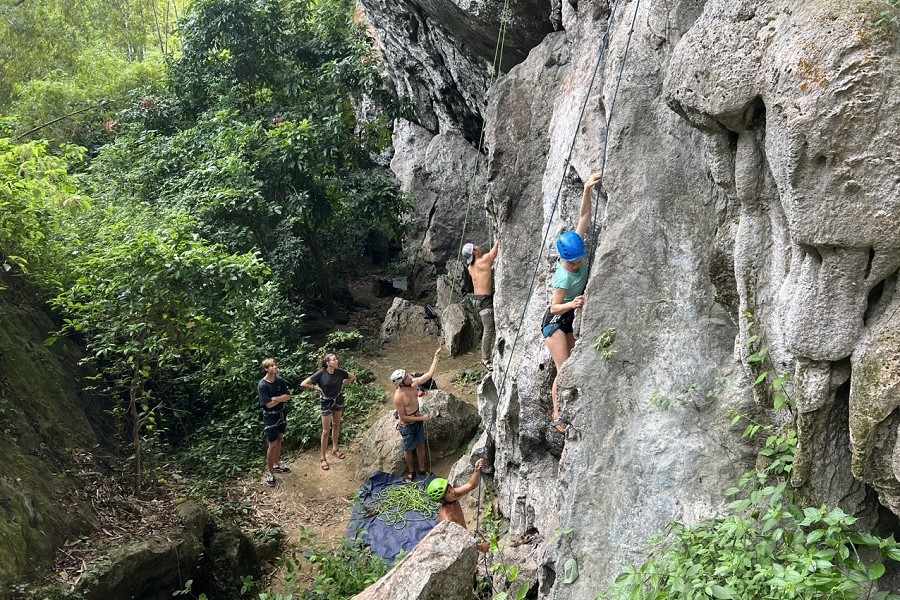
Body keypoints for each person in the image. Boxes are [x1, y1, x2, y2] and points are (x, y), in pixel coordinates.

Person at [541, 172, 603, 433]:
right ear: (567, 259)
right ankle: (556, 415)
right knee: (563, 368)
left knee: (576, 362)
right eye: (575, 261)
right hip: (555, 322)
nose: (579, 263)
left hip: (569, 315)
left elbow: (584, 218)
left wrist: (587, 189)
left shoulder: (575, 245)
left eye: (580, 259)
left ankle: (574, 404)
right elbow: (554, 307)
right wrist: (573, 303)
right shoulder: (563, 276)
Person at [391, 348, 442, 482]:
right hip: (408, 425)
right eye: (406, 377)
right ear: (401, 383)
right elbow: (403, 417)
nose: (410, 377)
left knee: (421, 445)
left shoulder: (413, 384)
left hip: (417, 420)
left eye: (408, 375)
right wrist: (422, 418)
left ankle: (421, 469)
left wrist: (435, 357)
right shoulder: (398, 397)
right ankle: (411, 471)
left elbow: (429, 374)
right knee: (408, 449)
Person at [301, 353, 356, 471]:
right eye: (334, 359)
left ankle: (335, 449)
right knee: (326, 431)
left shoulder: (339, 372)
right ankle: (323, 458)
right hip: (326, 402)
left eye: (336, 359)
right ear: (328, 363)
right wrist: (317, 388)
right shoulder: (321, 373)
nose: (336, 361)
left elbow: (352, 377)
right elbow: (304, 383)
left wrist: (342, 384)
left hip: (338, 400)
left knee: (336, 425)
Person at [426, 458, 490, 552]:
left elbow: (470, 485)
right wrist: (480, 547)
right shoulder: (448, 519)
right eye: (448, 492)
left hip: (464, 536)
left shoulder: (453, 497)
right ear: (442, 500)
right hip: (456, 545)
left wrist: (476, 470)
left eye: (450, 488)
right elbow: (458, 542)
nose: (453, 491)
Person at [462, 240, 499, 369]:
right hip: (485, 301)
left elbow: (484, 273)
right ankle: (485, 359)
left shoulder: (470, 267)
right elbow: (496, 249)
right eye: (475, 246)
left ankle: (486, 356)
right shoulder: (483, 261)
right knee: (488, 330)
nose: (478, 247)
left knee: (487, 328)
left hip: (476, 299)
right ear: (474, 251)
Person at [258, 358, 292, 487]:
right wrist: (281, 399)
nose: (274, 367)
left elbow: (288, 397)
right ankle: (270, 473)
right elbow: (268, 405)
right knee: (272, 444)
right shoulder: (262, 385)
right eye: (271, 366)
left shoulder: (280, 381)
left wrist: (277, 398)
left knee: (280, 439)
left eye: (275, 365)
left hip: (281, 414)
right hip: (270, 417)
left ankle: (277, 465)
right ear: (266, 369)